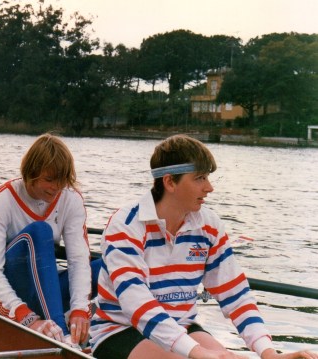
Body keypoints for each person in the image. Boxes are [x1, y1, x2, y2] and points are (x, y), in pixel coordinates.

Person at [90, 134, 318, 359]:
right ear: (169, 182)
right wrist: (197, 353)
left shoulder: (209, 226)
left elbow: (236, 295)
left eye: (208, 178)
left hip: (182, 326)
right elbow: (136, 304)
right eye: (200, 178)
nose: (209, 188)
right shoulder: (126, 225)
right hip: (120, 330)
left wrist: (269, 353)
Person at [0, 133, 97, 347]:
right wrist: (26, 317)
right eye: (49, 180)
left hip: (42, 290)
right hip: (10, 292)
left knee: (106, 265)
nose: (56, 187)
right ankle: (62, 335)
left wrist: (80, 308)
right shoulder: (2, 199)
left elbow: (78, 260)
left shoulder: (72, 199)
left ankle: (93, 327)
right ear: (30, 173)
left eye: (61, 180)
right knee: (41, 231)